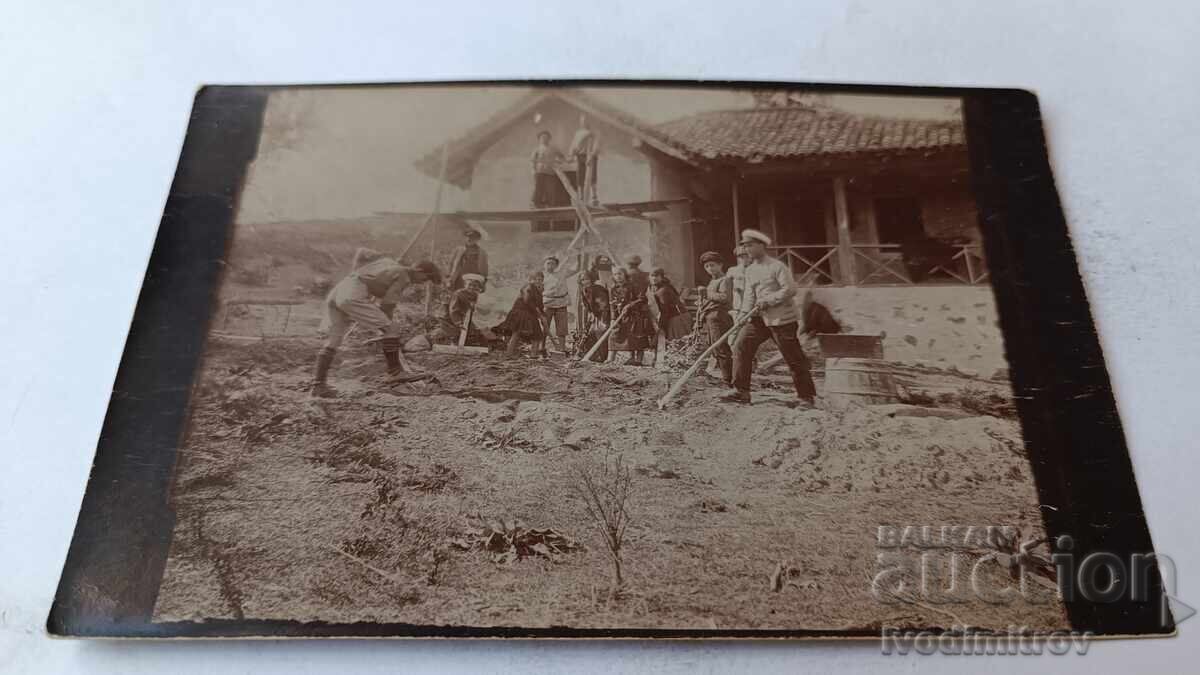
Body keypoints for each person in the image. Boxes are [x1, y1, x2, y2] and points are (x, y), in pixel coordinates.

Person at [311, 254, 442, 398]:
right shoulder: (404, 276)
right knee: (392, 328)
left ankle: (318, 385)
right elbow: (387, 305)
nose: (422, 283)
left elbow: (363, 254)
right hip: (354, 292)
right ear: (418, 270)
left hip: (339, 290)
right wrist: (387, 330)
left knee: (333, 341)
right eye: (425, 278)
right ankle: (395, 372)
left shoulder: (388, 262)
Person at [723, 229, 817, 407]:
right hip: (758, 320)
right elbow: (749, 295)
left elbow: (790, 290)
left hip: (781, 319)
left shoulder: (777, 266)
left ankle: (806, 397)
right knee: (741, 345)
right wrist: (743, 315)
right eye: (745, 246)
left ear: (761, 246)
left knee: (793, 357)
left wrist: (769, 300)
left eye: (750, 246)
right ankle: (741, 391)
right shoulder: (750, 270)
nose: (747, 250)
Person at [696, 250, 734, 385]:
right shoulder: (713, 281)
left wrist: (706, 294)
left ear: (720, 265)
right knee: (715, 347)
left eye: (712, 265)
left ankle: (727, 379)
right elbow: (710, 297)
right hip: (710, 316)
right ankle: (726, 375)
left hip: (720, 316)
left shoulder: (725, 280)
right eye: (707, 266)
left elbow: (725, 298)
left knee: (721, 347)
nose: (709, 269)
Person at [494, 271, 547, 358]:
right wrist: (539, 314)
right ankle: (509, 353)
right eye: (536, 279)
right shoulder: (528, 287)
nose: (538, 281)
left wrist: (543, 316)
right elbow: (527, 301)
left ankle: (534, 355)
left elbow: (540, 306)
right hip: (521, 311)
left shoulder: (539, 291)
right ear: (531, 280)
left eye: (540, 280)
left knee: (537, 335)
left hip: (530, 313)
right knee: (517, 332)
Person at [608, 267, 653, 365]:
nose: (618, 276)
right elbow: (612, 304)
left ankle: (638, 360)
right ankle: (612, 359)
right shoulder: (612, 289)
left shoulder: (633, 286)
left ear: (625, 275)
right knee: (615, 335)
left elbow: (642, 298)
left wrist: (630, 305)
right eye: (615, 274)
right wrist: (613, 318)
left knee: (637, 338)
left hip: (635, 316)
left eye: (620, 274)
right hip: (621, 317)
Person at [435, 273, 487, 345]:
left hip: (466, 318)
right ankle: (453, 342)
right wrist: (458, 322)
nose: (472, 287)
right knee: (453, 332)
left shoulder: (477, 296)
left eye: (475, 286)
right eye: (469, 285)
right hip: (451, 317)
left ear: (479, 287)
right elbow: (453, 309)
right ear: (465, 285)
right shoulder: (459, 294)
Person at [576, 268, 610, 362]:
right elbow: (588, 307)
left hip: (604, 315)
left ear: (591, 279)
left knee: (600, 333)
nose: (585, 281)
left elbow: (604, 305)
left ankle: (603, 357)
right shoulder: (584, 290)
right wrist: (590, 319)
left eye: (587, 279)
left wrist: (603, 321)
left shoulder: (597, 289)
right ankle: (592, 356)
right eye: (582, 280)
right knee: (589, 335)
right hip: (595, 316)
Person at [541, 256, 572, 353]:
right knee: (544, 327)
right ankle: (542, 347)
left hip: (561, 304)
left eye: (553, 264)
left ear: (556, 266)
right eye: (548, 263)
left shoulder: (561, 274)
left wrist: (579, 255)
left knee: (561, 328)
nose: (550, 266)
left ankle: (562, 348)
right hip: (547, 304)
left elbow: (577, 269)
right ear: (544, 265)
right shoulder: (541, 277)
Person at [567, 114, 600, 205]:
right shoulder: (578, 133)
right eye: (582, 120)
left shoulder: (593, 133)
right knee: (580, 175)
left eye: (585, 120)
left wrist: (592, 155)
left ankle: (594, 196)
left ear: (589, 122)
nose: (584, 122)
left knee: (592, 176)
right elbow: (574, 145)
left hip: (590, 156)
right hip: (580, 156)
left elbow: (596, 145)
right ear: (580, 122)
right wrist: (571, 155)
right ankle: (581, 196)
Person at [447, 227, 489, 292]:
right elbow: (451, 263)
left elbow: (484, 268)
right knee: (456, 296)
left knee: (470, 296)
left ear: (477, 239)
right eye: (468, 237)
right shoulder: (458, 250)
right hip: (458, 278)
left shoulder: (481, 252)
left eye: (472, 238)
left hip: (473, 279)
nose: (469, 239)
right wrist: (449, 278)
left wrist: (484, 282)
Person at [530, 130, 565, 208]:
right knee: (538, 188)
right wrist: (533, 171)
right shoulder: (537, 149)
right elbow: (532, 161)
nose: (544, 139)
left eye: (546, 137)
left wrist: (557, 162)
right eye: (542, 138)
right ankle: (536, 205)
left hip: (550, 172)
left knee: (550, 189)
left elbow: (562, 157)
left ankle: (550, 205)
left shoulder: (553, 149)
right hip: (540, 171)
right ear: (539, 139)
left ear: (549, 139)